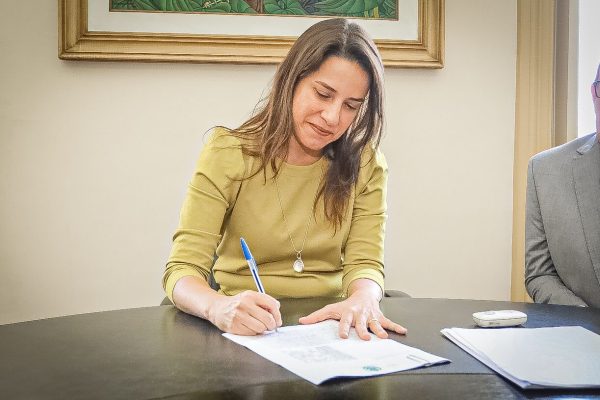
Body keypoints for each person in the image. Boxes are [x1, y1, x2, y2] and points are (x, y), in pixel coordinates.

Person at [162, 18, 407, 340]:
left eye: (351, 106)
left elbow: (365, 263)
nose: (333, 117)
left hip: (332, 327)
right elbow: (182, 269)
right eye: (323, 94)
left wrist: (364, 297)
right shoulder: (228, 153)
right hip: (246, 327)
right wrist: (218, 307)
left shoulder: (366, 164)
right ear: (291, 80)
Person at [525, 62, 600, 307]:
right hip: (582, 327)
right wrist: (584, 320)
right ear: (594, 93)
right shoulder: (545, 170)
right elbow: (540, 274)